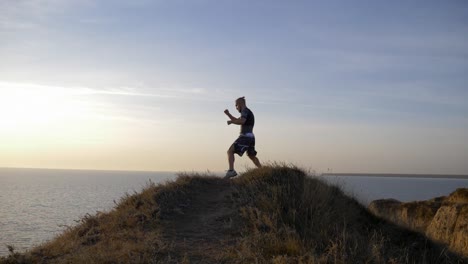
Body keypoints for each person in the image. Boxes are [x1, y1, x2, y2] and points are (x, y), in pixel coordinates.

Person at [224, 96, 261, 178]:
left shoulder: (245, 111)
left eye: (236, 105)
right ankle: (261, 169)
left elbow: (241, 121)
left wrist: (232, 122)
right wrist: (228, 114)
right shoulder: (247, 112)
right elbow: (237, 119)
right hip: (251, 137)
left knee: (230, 151)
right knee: (251, 155)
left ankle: (231, 171)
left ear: (240, 104)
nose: (236, 107)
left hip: (245, 137)